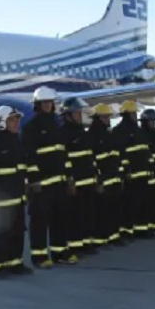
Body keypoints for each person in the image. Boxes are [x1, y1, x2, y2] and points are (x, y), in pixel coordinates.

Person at [22, 86, 75, 268]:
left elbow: (63, 154)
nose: (48, 105)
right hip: (42, 185)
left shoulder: (57, 125)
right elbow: (29, 156)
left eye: (50, 102)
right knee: (39, 221)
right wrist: (34, 180)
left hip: (59, 182)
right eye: (45, 102)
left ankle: (60, 252)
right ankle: (40, 256)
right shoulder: (31, 127)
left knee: (60, 219)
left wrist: (69, 177)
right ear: (37, 105)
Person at [0, 105, 33, 278]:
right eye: (12, 120)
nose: (16, 123)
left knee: (17, 233)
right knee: (1, 234)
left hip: (17, 198)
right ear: (2, 122)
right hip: (1, 201)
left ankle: (14, 263)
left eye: (17, 119)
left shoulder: (16, 140)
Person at [61, 98, 98, 255]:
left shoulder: (81, 130)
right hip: (76, 181)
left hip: (88, 179)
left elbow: (89, 156)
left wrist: (96, 175)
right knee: (75, 215)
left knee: (88, 213)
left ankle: (87, 242)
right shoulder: (63, 133)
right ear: (68, 114)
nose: (78, 115)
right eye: (76, 112)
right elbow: (64, 159)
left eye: (79, 112)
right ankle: (76, 245)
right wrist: (70, 180)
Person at [113, 100, 154, 239]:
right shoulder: (119, 131)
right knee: (130, 203)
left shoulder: (139, 130)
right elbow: (121, 153)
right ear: (126, 114)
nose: (135, 115)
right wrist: (126, 170)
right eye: (133, 113)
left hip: (143, 172)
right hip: (131, 174)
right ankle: (128, 231)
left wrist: (150, 166)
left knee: (144, 202)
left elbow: (146, 150)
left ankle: (142, 229)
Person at [89, 103, 125, 247]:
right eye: (104, 117)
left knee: (114, 210)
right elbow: (92, 160)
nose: (107, 119)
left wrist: (120, 174)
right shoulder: (92, 136)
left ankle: (113, 236)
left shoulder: (109, 134)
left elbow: (116, 156)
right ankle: (100, 239)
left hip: (113, 179)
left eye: (108, 117)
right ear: (97, 118)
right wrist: (98, 180)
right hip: (103, 180)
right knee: (101, 212)